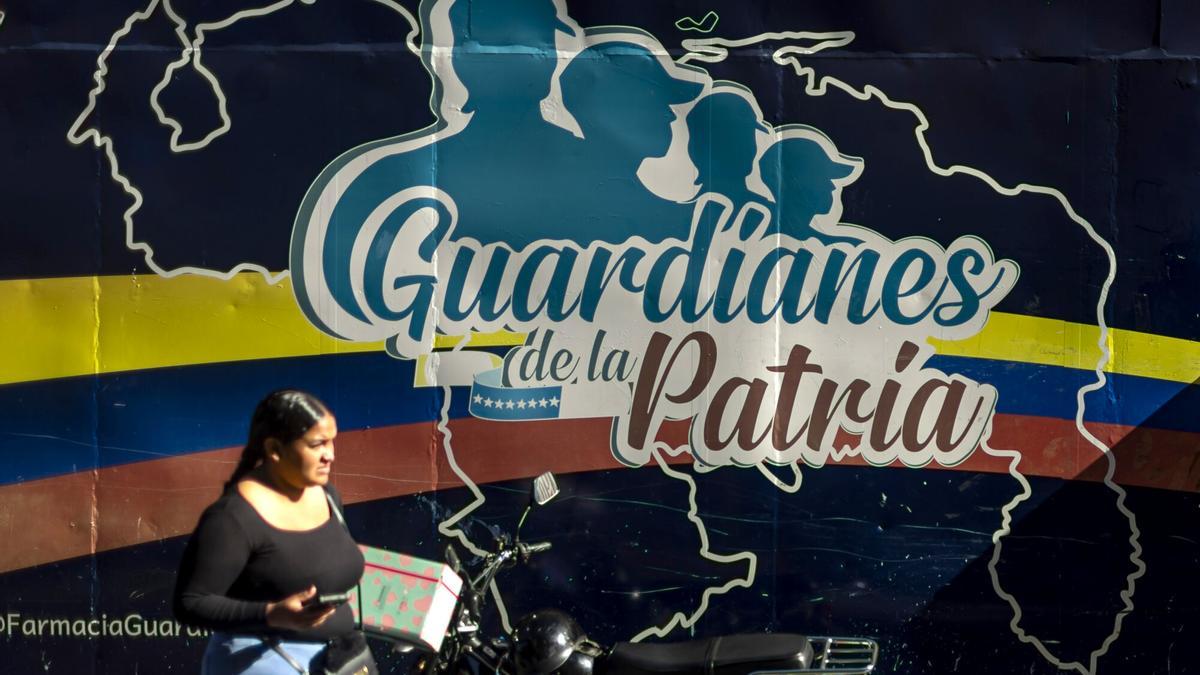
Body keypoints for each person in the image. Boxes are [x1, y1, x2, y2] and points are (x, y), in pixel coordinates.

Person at [174, 390, 367, 674]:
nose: (331, 455)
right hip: (264, 662)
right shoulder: (232, 518)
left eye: (332, 441)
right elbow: (190, 603)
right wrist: (271, 615)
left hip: (338, 661)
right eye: (318, 444)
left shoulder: (328, 496)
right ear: (275, 449)